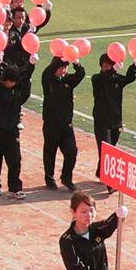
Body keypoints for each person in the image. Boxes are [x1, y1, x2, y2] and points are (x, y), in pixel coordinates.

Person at [0, 61, 33, 199]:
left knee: (15, 160)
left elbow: (25, 86)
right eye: (10, 81)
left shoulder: (17, 92)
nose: (12, 83)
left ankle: (15, 187)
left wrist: (31, 66)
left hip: (12, 131)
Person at [91, 53, 136, 183]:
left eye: (110, 64)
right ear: (101, 65)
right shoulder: (97, 78)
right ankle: (109, 182)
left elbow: (129, 78)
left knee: (111, 147)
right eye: (106, 65)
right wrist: (113, 70)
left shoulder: (116, 78)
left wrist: (134, 65)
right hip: (102, 121)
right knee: (106, 150)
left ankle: (100, 171)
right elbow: (104, 79)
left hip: (116, 121)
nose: (108, 67)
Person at [41, 55, 85, 191]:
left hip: (66, 124)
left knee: (72, 151)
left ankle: (66, 177)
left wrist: (76, 63)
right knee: (50, 152)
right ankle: (49, 178)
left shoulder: (68, 80)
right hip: (51, 124)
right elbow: (47, 71)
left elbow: (80, 74)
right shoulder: (48, 80)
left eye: (65, 68)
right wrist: (61, 57)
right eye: (61, 68)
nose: (64, 70)